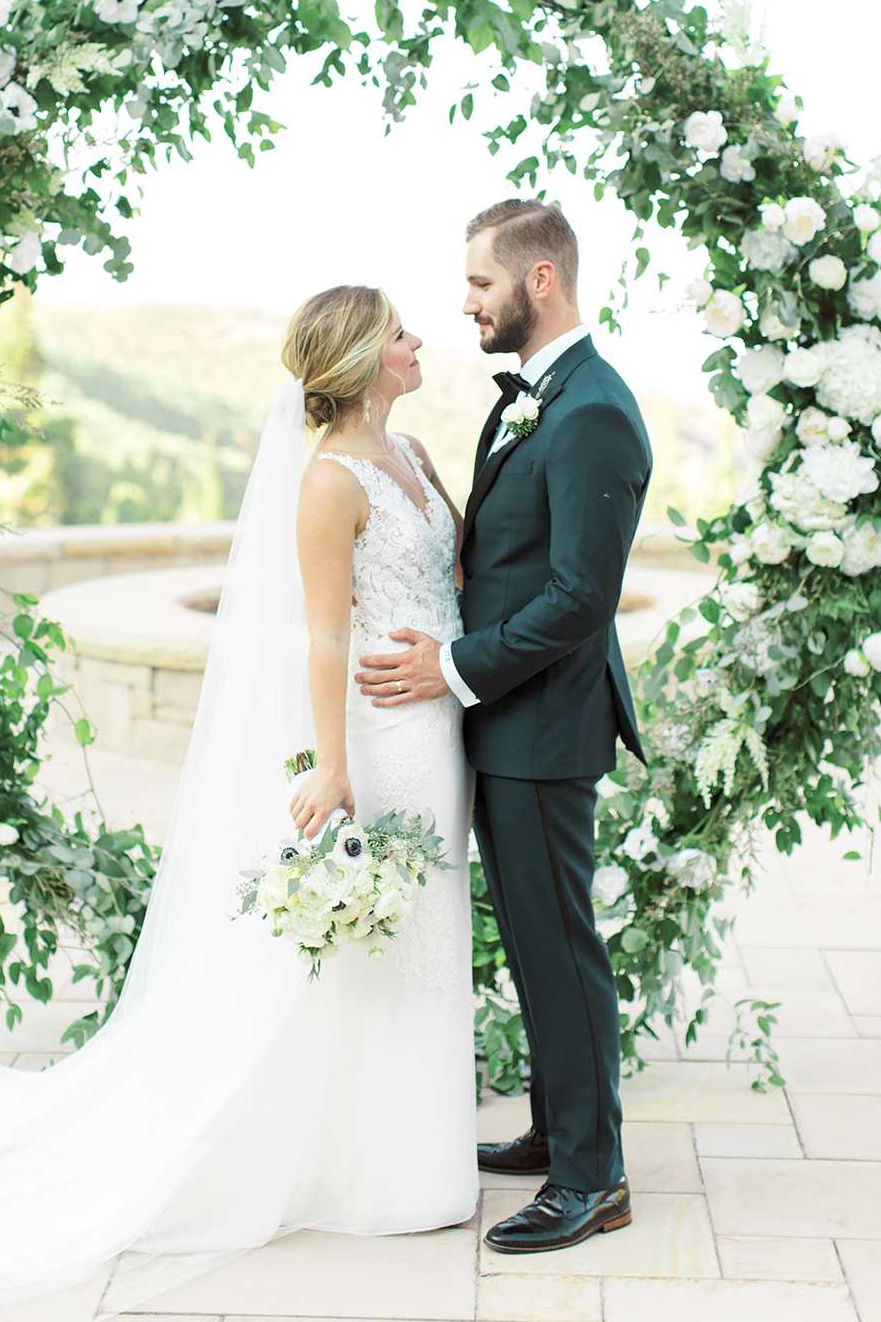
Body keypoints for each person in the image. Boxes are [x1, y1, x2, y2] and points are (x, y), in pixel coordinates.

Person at [0, 286, 477, 1322]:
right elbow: (324, 636)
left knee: (428, 932)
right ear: (357, 357)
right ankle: (375, 1169)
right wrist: (331, 766)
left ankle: (409, 1149)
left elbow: (452, 573)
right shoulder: (327, 482)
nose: (417, 338)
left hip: (438, 730)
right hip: (376, 738)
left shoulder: (417, 455)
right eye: (399, 331)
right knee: (374, 941)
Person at [355, 199, 652, 1255]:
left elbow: (579, 596)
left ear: (538, 281)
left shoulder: (593, 413)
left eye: (479, 285)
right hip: (508, 722)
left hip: (544, 726)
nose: (465, 304)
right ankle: (558, 1126)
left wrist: (450, 665)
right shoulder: (531, 399)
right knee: (533, 945)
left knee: (560, 948)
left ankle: (592, 1177)